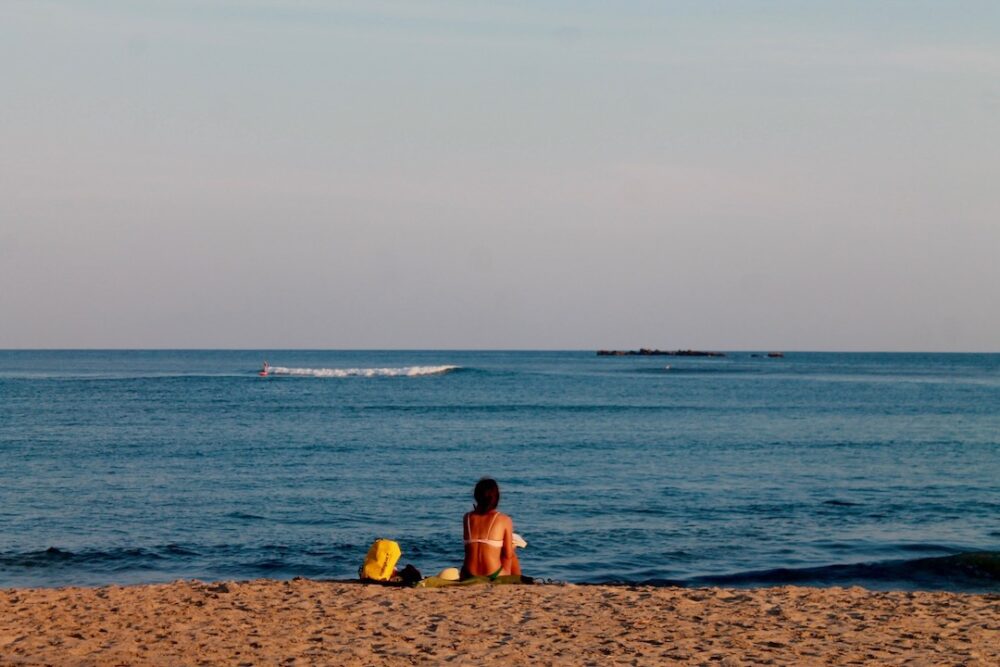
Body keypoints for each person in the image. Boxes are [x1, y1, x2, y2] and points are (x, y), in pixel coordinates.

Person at [462, 477, 521, 580]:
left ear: (476, 496)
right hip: (493, 574)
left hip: (469, 574)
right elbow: (507, 555)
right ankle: (517, 580)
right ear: (496, 498)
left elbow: (467, 550)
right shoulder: (504, 519)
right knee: (512, 552)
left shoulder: (467, 517)